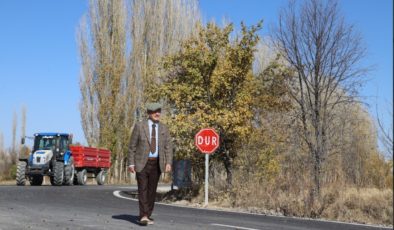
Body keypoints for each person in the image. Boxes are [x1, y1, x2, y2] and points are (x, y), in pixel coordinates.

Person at [127, 102, 173, 225]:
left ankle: (148, 214)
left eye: (159, 111)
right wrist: (131, 163)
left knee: (152, 191)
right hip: (142, 163)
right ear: (148, 113)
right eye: (154, 111)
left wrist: (169, 162)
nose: (157, 113)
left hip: (157, 164)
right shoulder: (139, 126)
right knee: (142, 189)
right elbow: (132, 146)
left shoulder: (164, 128)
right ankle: (144, 215)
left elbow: (168, 147)